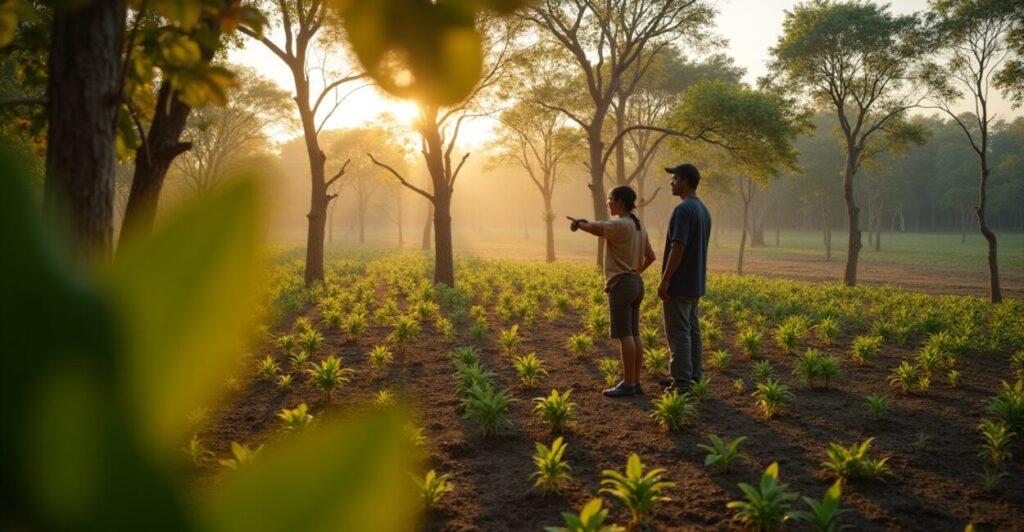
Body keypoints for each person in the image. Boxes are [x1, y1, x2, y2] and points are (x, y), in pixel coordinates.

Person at [568, 185, 657, 397]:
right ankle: (635, 382)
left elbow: (598, 228)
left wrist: (580, 224)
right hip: (636, 283)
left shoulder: (621, 224)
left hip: (622, 284)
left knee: (625, 335)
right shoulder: (638, 226)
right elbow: (651, 256)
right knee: (634, 333)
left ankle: (628, 384)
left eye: (610, 199)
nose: (608, 203)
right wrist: (636, 271)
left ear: (620, 202)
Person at [658, 163, 711, 393]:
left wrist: (665, 279)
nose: (672, 182)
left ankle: (681, 383)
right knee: (692, 330)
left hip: (679, 283)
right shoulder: (703, 209)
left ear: (686, 181)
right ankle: (693, 376)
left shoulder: (682, 210)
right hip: (695, 281)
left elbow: (678, 246)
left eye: (676, 178)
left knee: (678, 332)